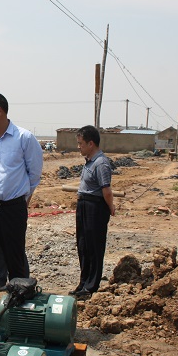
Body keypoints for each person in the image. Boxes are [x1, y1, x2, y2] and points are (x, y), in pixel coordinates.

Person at [0, 91, 43, 299]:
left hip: (12, 209)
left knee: (15, 262)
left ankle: (17, 308)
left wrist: (22, 198)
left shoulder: (24, 138)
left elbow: (34, 173)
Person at [71, 125, 116, 297]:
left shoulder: (101, 163)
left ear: (91, 144)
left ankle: (91, 286)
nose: (78, 147)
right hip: (84, 205)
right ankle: (83, 283)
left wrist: (110, 206)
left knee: (94, 246)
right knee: (83, 246)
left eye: (80, 143)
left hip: (95, 207)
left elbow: (106, 190)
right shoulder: (89, 161)